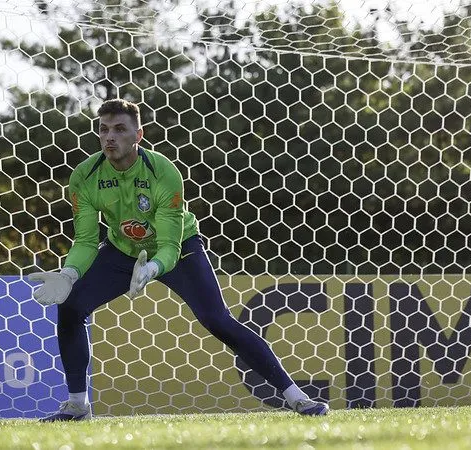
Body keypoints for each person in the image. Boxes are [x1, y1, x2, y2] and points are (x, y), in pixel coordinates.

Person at [29, 99, 329, 421]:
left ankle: (297, 398)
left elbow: (169, 244)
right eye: (103, 130)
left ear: (138, 135)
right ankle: (77, 406)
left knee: (217, 320)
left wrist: (152, 269)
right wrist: (70, 274)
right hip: (123, 250)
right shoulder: (85, 176)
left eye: (119, 129)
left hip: (180, 248)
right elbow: (87, 240)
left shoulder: (164, 172)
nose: (109, 138)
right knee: (71, 305)